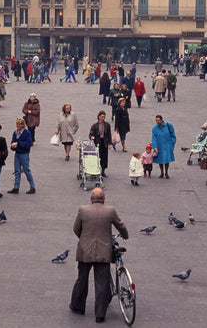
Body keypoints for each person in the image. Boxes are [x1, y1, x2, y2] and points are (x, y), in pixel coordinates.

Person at [69, 187, 129, 324]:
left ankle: (77, 306)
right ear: (104, 199)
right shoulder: (110, 211)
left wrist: (84, 239)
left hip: (85, 250)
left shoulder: (83, 210)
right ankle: (100, 314)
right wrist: (126, 236)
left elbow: (76, 228)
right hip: (103, 250)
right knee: (102, 282)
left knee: (82, 279)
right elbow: (121, 226)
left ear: (91, 199)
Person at [8, 118, 36, 194]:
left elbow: (28, 144)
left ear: (23, 125)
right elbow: (12, 142)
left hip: (24, 154)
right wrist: (12, 146)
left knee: (27, 170)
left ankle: (32, 187)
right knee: (17, 171)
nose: (18, 125)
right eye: (17, 124)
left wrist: (18, 144)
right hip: (17, 153)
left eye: (20, 124)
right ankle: (16, 187)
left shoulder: (27, 133)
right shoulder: (15, 133)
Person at [89, 111, 112, 178]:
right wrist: (91, 137)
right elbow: (91, 133)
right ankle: (95, 170)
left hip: (104, 142)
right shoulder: (95, 125)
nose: (103, 118)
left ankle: (103, 171)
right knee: (96, 157)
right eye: (102, 117)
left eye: (104, 117)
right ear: (98, 117)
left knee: (104, 157)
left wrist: (110, 143)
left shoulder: (107, 125)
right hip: (97, 142)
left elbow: (109, 134)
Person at [151, 115, 176, 179]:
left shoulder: (168, 125)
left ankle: (166, 172)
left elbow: (173, 135)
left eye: (158, 120)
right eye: (156, 120)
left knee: (167, 159)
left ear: (162, 120)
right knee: (160, 159)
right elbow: (154, 138)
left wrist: (172, 144)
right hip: (160, 145)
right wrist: (155, 146)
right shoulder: (154, 128)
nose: (157, 122)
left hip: (167, 145)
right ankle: (161, 172)